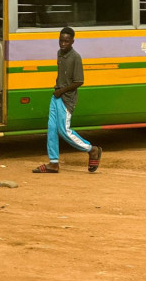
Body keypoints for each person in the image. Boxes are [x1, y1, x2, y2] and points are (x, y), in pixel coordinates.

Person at [32, 26, 102, 174]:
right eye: (61, 40)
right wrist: (57, 92)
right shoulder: (59, 53)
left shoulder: (76, 57)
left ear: (72, 41)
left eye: (66, 41)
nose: (63, 44)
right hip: (56, 95)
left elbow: (79, 82)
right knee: (51, 129)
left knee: (64, 131)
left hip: (66, 99)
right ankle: (53, 163)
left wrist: (61, 91)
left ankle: (92, 149)